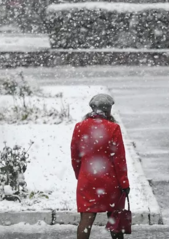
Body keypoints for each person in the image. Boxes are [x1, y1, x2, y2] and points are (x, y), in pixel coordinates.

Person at [71, 94, 130, 239]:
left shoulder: (79, 127)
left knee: (85, 222)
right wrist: (124, 183)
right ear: (108, 109)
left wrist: (81, 175)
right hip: (110, 183)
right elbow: (119, 159)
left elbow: (75, 155)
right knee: (115, 219)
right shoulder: (113, 128)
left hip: (87, 181)